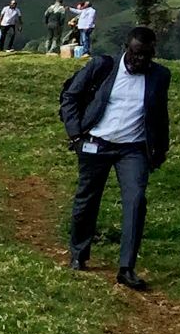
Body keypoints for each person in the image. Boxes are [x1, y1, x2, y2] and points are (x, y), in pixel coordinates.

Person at [60, 26, 170, 289]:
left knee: (135, 200)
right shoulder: (103, 66)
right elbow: (71, 96)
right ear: (126, 48)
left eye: (146, 55)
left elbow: (160, 115)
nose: (139, 60)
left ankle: (126, 268)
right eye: (135, 54)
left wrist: (160, 150)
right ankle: (79, 254)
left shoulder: (160, 76)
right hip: (95, 143)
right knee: (87, 198)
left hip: (133, 149)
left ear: (153, 53)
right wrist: (76, 136)